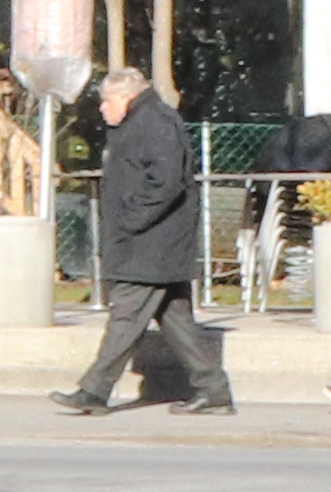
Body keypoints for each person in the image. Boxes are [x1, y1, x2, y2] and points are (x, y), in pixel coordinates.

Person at [56, 64, 232, 414]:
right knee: (176, 320)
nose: (103, 108)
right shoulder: (145, 121)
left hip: (151, 244)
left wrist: (131, 219)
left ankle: (94, 391)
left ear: (126, 96)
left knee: (125, 316)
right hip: (154, 243)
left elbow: (165, 180)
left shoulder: (153, 122)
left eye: (107, 101)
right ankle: (212, 390)